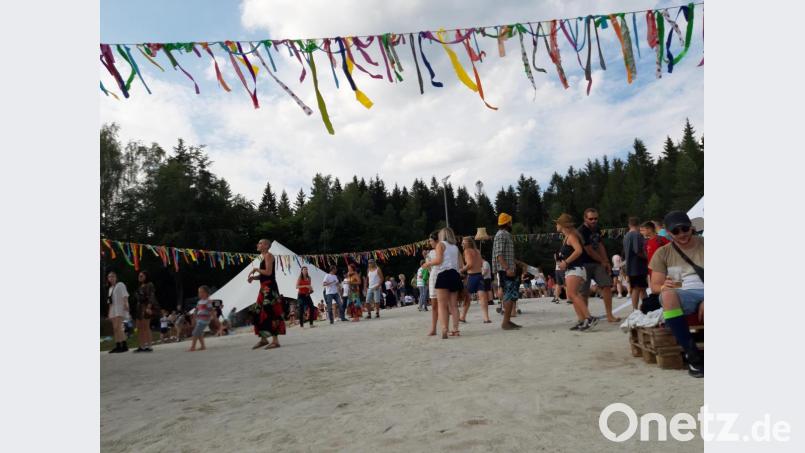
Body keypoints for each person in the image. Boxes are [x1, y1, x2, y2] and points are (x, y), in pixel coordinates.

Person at [649, 211, 704, 378]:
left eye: (685, 229)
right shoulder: (663, 252)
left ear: (691, 227)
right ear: (668, 232)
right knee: (667, 295)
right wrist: (663, 286)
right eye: (676, 231)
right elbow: (655, 286)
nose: (681, 234)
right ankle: (692, 354)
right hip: (684, 293)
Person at [555, 214, 598, 331]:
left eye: (557, 223)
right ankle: (582, 320)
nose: (556, 225)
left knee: (573, 294)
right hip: (573, 269)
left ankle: (589, 318)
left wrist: (566, 262)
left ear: (563, 224)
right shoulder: (567, 237)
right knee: (573, 295)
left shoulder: (571, 236)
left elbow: (578, 250)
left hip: (575, 269)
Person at [578, 208, 620, 322]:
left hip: (597, 263)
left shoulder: (596, 228)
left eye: (595, 218)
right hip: (584, 263)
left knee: (606, 286)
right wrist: (603, 261)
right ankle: (585, 317)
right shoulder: (581, 231)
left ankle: (609, 315)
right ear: (585, 218)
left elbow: (600, 245)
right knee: (584, 292)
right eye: (591, 219)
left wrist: (606, 261)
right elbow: (589, 250)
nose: (593, 221)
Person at [423, 227, 464, 338]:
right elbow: (461, 265)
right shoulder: (455, 247)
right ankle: (456, 329)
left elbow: (439, 260)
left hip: (443, 274)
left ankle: (444, 328)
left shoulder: (440, 245)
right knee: (454, 305)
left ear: (442, 235)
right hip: (455, 275)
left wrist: (428, 263)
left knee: (442, 305)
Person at [247, 238, 284, 350]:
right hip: (264, 288)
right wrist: (254, 278)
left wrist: (256, 269)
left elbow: (268, 272)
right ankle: (263, 339)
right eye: (258, 243)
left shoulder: (268, 256)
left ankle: (275, 341)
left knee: (270, 311)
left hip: (270, 287)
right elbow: (264, 275)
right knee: (258, 311)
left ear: (267, 246)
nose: (258, 244)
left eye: (260, 243)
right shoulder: (264, 257)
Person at [492, 213, 522, 330]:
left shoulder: (504, 234)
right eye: (510, 222)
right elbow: (499, 255)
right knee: (509, 295)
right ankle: (505, 322)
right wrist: (507, 268)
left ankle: (508, 321)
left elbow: (505, 255)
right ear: (508, 223)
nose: (511, 223)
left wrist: (517, 263)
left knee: (511, 295)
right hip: (505, 270)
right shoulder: (501, 235)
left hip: (507, 269)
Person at [460, 236, 491, 323]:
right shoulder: (477, 251)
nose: (462, 244)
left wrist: (462, 269)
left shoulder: (467, 251)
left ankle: (462, 316)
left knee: (467, 297)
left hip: (472, 276)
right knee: (483, 298)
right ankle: (486, 318)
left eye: (464, 242)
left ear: (469, 243)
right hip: (480, 276)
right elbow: (481, 263)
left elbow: (470, 264)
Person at [623, 217, 649, 311]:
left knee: (641, 288)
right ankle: (635, 310)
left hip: (630, 266)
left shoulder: (626, 236)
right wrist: (647, 257)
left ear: (629, 225)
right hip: (638, 267)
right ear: (638, 225)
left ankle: (646, 307)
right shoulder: (637, 235)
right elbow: (637, 250)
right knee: (638, 288)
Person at [131, 271, 157, 353]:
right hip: (139, 308)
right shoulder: (139, 286)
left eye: (141, 276)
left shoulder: (149, 284)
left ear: (146, 276)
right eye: (139, 276)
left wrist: (149, 307)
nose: (139, 277)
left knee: (146, 326)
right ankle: (141, 346)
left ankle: (149, 346)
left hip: (145, 307)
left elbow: (152, 296)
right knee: (139, 327)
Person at [106, 271, 130, 353]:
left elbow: (125, 295)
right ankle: (118, 345)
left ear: (116, 277)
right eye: (109, 277)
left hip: (120, 308)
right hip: (113, 310)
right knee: (115, 328)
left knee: (119, 327)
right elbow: (110, 302)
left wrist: (126, 303)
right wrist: (109, 313)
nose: (111, 278)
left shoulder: (120, 284)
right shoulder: (110, 289)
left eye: (113, 276)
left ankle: (124, 345)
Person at [188, 285, 212, 351]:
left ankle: (193, 347)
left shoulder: (208, 301)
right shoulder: (199, 301)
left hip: (204, 320)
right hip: (199, 319)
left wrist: (211, 317)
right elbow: (196, 310)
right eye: (199, 292)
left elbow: (211, 310)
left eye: (202, 292)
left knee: (195, 332)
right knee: (199, 333)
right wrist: (194, 318)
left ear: (206, 293)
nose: (200, 294)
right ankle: (203, 346)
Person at [426, 233, 440, 336]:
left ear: (436, 240)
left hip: (442, 276)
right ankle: (434, 328)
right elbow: (428, 267)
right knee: (434, 305)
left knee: (444, 304)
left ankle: (446, 327)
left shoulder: (443, 250)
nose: (430, 242)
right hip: (433, 277)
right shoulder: (430, 253)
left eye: (431, 240)